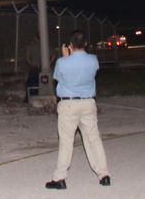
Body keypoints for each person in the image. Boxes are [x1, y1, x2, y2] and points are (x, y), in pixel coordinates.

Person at [45, 30, 110, 189]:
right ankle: (104, 174)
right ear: (86, 44)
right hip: (88, 103)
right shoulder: (93, 60)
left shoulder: (62, 62)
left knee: (66, 141)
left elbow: (58, 78)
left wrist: (66, 57)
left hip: (68, 104)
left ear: (70, 45)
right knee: (94, 139)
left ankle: (60, 178)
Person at [24, 35, 42, 101]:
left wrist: (31, 64)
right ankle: (37, 95)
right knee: (40, 83)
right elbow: (53, 55)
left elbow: (27, 57)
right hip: (42, 67)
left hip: (33, 67)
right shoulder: (44, 46)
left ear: (35, 38)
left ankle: (29, 98)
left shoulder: (31, 46)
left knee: (31, 83)